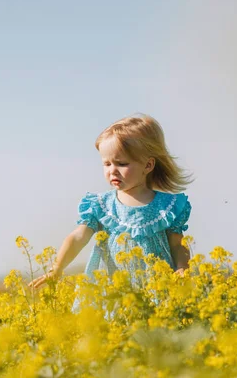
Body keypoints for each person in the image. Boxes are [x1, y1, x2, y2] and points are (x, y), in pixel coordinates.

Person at [28, 114, 193, 290]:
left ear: (148, 165)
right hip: (116, 291)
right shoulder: (101, 206)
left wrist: (183, 268)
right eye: (106, 164)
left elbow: (177, 245)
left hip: (158, 287)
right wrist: (56, 268)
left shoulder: (167, 207)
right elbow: (78, 237)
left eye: (122, 163)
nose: (112, 171)